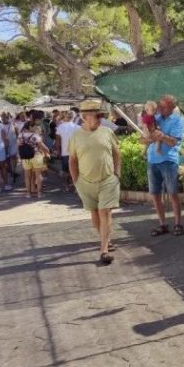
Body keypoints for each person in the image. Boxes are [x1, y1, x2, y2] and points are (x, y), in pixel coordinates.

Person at [68, 99, 121, 266]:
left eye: (96, 115)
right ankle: (105, 238)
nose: (94, 119)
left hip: (108, 180)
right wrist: (76, 180)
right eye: (89, 115)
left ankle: (103, 250)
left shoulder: (107, 132)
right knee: (95, 215)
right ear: (84, 117)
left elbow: (117, 154)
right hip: (85, 182)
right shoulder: (76, 135)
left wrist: (117, 174)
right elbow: (72, 160)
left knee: (105, 212)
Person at [142, 94, 184, 237]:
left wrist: (162, 136)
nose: (159, 108)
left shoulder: (178, 121)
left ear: (172, 108)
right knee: (155, 194)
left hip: (168, 160)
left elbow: (174, 142)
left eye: (163, 106)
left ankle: (178, 224)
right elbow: (145, 139)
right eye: (159, 105)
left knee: (173, 193)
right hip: (152, 160)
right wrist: (147, 137)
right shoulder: (156, 118)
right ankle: (162, 224)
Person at [18, 119, 51, 198]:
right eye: (34, 126)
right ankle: (39, 193)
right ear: (30, 127)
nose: (36, 127)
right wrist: (48, 152)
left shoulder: (20, 135)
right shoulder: (35, 136)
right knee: (38, 175)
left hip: (25, 157)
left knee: (27, 176)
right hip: (36, 156)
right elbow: (43, 147)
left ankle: (28, 193)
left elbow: (18, 146)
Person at [56, 111, 79, 192]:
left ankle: (66, 186)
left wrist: (58, 151)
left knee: (66, 170)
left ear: (66, 116)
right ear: (74, 117)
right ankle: (75, 186)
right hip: (76, 152)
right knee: (75, 170)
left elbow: (58, 141)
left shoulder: (60, 127)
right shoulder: (78, 127)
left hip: (64, 152)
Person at [1, 112, 19, 185]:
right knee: (7, 158)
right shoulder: (0, 126)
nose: (4, 119)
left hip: (13, 143)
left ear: (8, 118)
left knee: (13, 156)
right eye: (3, 118)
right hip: (4, 144)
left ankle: (14, 170)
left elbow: (17, 133)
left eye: (5, 117)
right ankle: (11, 170)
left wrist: (17, 141)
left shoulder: (13, 125)